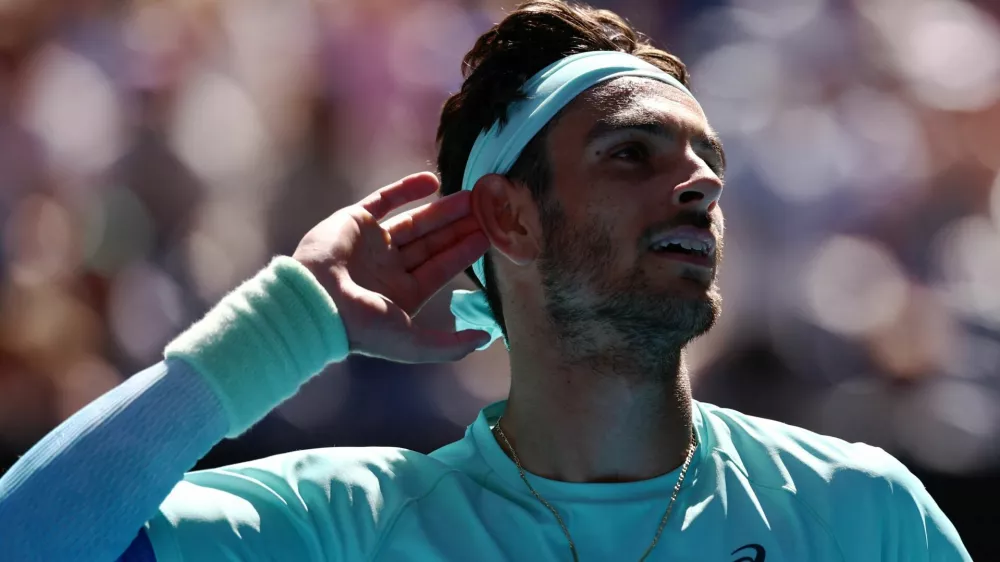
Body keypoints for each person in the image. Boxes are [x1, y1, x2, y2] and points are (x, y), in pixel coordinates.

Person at [0, 1, 972, 561]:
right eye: (633, 153)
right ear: (508, 215)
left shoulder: (864, 509)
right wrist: (285, 326)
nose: (699, 183)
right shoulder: (348, 527)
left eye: (703, 158)